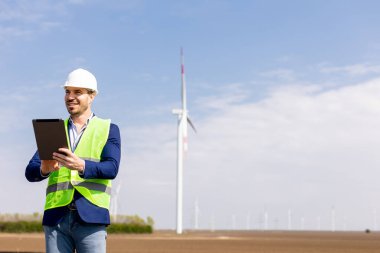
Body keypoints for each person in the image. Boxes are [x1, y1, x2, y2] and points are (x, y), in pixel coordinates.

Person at [25, 68, 121, 253]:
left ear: (91, 96)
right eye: (67, 91)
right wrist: (44, 169)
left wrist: (82, 165)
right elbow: (31, 171)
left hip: (91, 218)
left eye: (78, 92)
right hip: (56, 220)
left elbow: (112, 168)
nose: (70, 97)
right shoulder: (54, 129)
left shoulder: (107, 128)